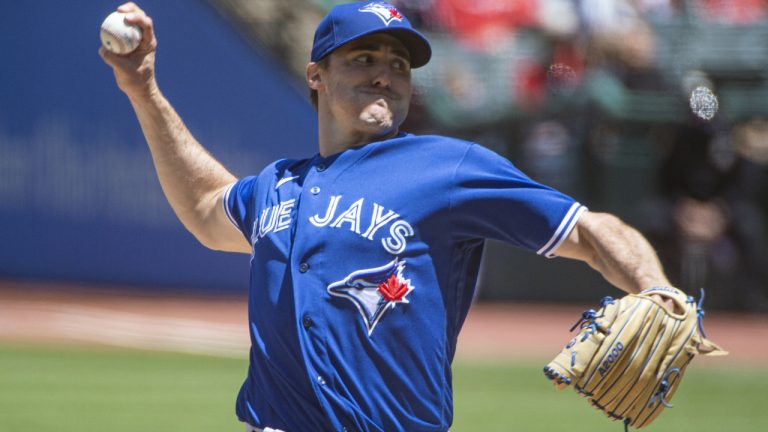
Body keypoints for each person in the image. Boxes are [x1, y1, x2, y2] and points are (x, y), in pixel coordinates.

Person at [100, 2, 674, 431]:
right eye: (364, 58)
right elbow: (206, 208)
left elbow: (592, 231)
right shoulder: (278, 185)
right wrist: (142, 87)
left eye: (399, 65)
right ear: (315, 76)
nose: (385, 75)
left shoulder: (445, 166)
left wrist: (657, 291)